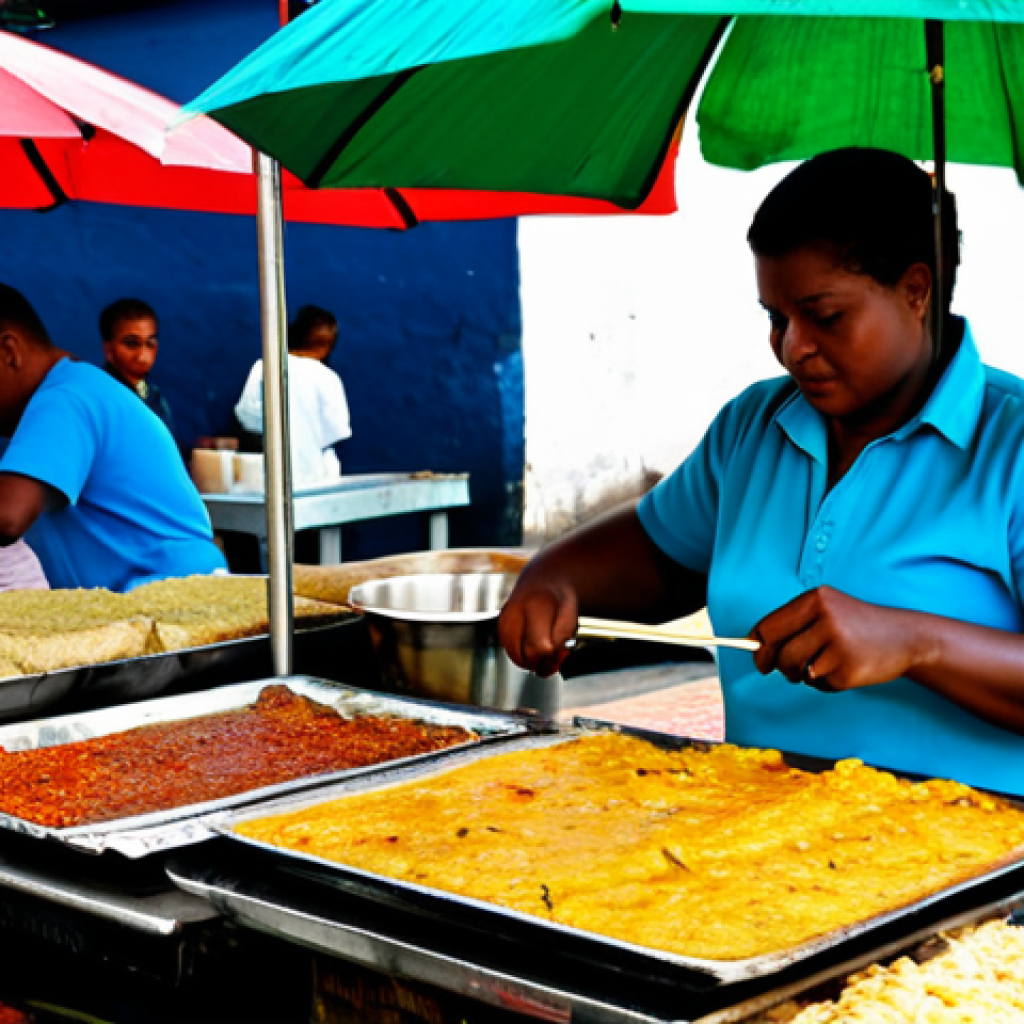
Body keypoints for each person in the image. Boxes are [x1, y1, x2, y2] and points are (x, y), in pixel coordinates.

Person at [500, 147, 1024, 795]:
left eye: (825, 316)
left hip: (976, 863)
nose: (793, 347)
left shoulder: (1011, 443)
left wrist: (916, 643)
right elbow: (663, 555)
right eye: (776, 318)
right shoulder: (756, 424)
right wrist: (555, 579)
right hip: (756, 844)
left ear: (916, 291)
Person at [0, 284, 226, 592]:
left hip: (172, 603)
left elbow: (7, 516)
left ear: (9, 352)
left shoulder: (64, 400)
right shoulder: (76, 388)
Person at [234, 305, 352, 488]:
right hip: (317, 479)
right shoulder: (328, 378)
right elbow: (338, 430)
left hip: (266, 479)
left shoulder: (263, 367)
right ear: (325, 346)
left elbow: (246, 417)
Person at [100, 297, 175, 437]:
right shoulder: (100, 398)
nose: (143, 355)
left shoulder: (153, 395)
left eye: (149, 344)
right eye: (132, 344)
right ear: (108, 350)